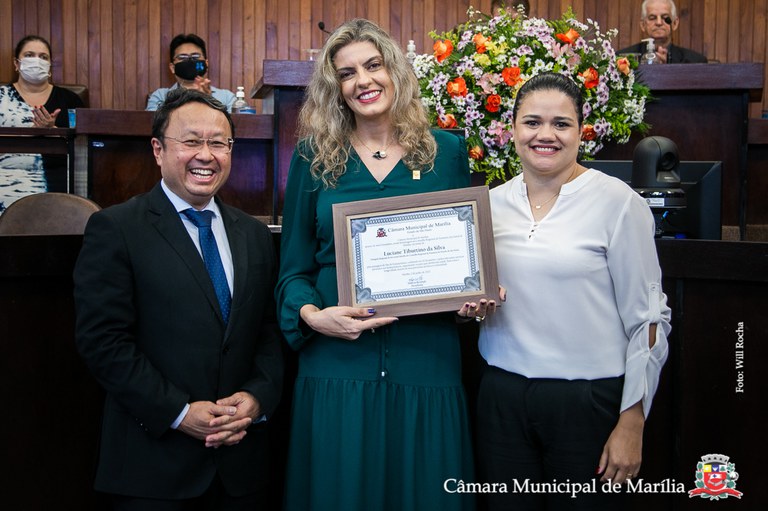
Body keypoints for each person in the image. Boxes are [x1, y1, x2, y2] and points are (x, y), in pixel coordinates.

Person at [275, 18, 493, 511]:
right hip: (337, 362)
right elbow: (292, 271)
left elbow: (465, 262)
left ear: (395, 71)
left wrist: (473, 302)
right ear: (335, 88)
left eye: (373, 65)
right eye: (346, 73)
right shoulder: (313, 157)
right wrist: (313, 316)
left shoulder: (446, 153)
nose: (363, 81)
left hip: (426, 361)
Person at [74, 88, 283, 510]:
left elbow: (269, 331)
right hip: (153, 469)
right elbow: (104, 342)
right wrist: (179, 412)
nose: (206, 155)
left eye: (218, 143)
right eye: (190, 141)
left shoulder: (255, 235)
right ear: (158, 149)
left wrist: (258, 397)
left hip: (242, 466)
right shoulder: (116, 229)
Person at [475, 73, 671, 510]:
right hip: (502, 398)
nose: (545, 135)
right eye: (532, 122)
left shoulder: (618, 203)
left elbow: (649, 320)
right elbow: (478, 296)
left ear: (582, 132)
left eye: (561, 124)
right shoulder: (488, 204)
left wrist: (633, 420)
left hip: (587, 403)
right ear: (511, 130)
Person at [0, 35, 84, 214]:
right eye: (29, 55)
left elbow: (83, 149)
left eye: (43, 57)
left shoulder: (70, 100)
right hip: (6, 182)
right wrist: (32, 133)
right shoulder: (1, 97)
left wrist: (54, 132)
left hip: (58, 184)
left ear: (50, 65)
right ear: (16, 63)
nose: (36, 61)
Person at [146, 33, 236, 112]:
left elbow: (233, 124)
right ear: (172, 67)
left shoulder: (227, 98)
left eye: (195, 56)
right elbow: (154, 124)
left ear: (206, 64)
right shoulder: (160, 97)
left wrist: (208, 100)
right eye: (182, 57)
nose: (190, 61)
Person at [618, 0, 707, 63]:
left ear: (675, 23)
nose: (659, 22)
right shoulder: (621, 59)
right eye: (652, 18)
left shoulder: (695, 61)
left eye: (665, 17)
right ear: (643, 25)